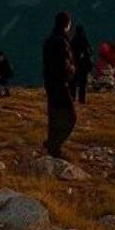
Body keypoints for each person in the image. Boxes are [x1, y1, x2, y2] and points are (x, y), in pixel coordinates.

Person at [41, 11, 77, 158]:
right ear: (67, 24)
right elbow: (65, 65)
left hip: (49, 82)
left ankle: (53, 147)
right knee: (70, 117)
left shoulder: (49, 40)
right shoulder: (62, 41)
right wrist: (72, 72)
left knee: (55, 116)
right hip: (60, 83)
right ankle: (54, 145)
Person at [71, 25, 93, 105]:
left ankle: (72, 98)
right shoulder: (84, 39)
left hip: (74, 64)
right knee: (82, 84)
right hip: (83, 65)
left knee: (73, 83)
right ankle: (81, 100)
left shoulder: (73, 40)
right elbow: (89, 51)